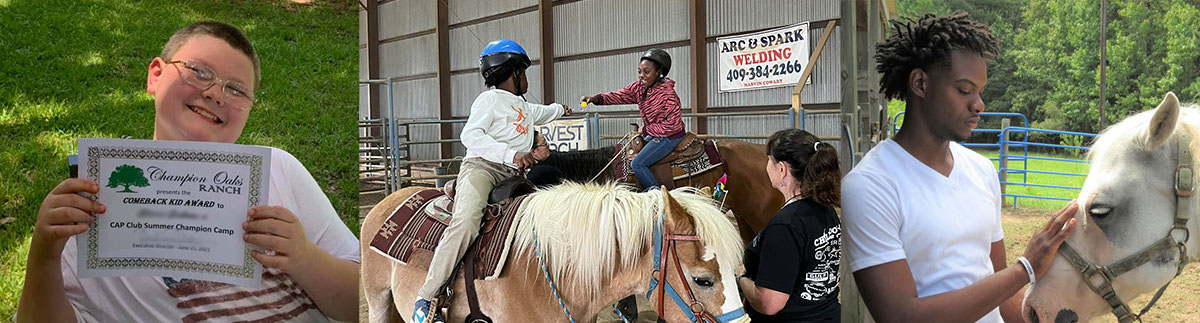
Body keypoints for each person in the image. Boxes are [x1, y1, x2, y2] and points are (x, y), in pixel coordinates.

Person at [16, 21, 360, 322]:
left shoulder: (279, 169)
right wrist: (44, 255)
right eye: (199, 71)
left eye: (237, 90)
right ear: (155, 75)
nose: (214, 94)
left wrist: (304, 258)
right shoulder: (91, 201)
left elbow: (364, 304)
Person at [840, 13, 1080, 322]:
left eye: (980, 91)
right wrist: (1026, 268)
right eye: (965, 90)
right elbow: (900, 316)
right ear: (920, 83)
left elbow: (997, 287)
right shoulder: (870, 185)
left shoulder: (981, 170)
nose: (979, 104)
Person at [413, 39, 571, 323]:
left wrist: (562, 109)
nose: (527, 79)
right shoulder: (488, 100)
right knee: (467, 222)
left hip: (513, 175)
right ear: (514, 73)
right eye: (525, 72)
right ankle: (427, 297)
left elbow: (544, 112)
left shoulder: (522, 105)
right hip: (482, 169)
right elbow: (470, 136)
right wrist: (512, 153)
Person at [738, 129, 842, 322]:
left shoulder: (785, 226)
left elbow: (769, 304)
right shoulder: (825, 209)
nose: (766, 166)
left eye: (769, 160)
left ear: (782, 169)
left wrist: (741, 278)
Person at [580, 49, 684, 190]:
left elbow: (674, 125)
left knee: (638, 164)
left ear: (658, 72)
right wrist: (596, 99)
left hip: (670, 137)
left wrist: (646, 129)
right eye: (639, 72)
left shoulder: (668, 95)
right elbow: (619, 96)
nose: (641, 76)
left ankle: (657, 197)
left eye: (646, 72)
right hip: (654, 133)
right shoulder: (639, 88)